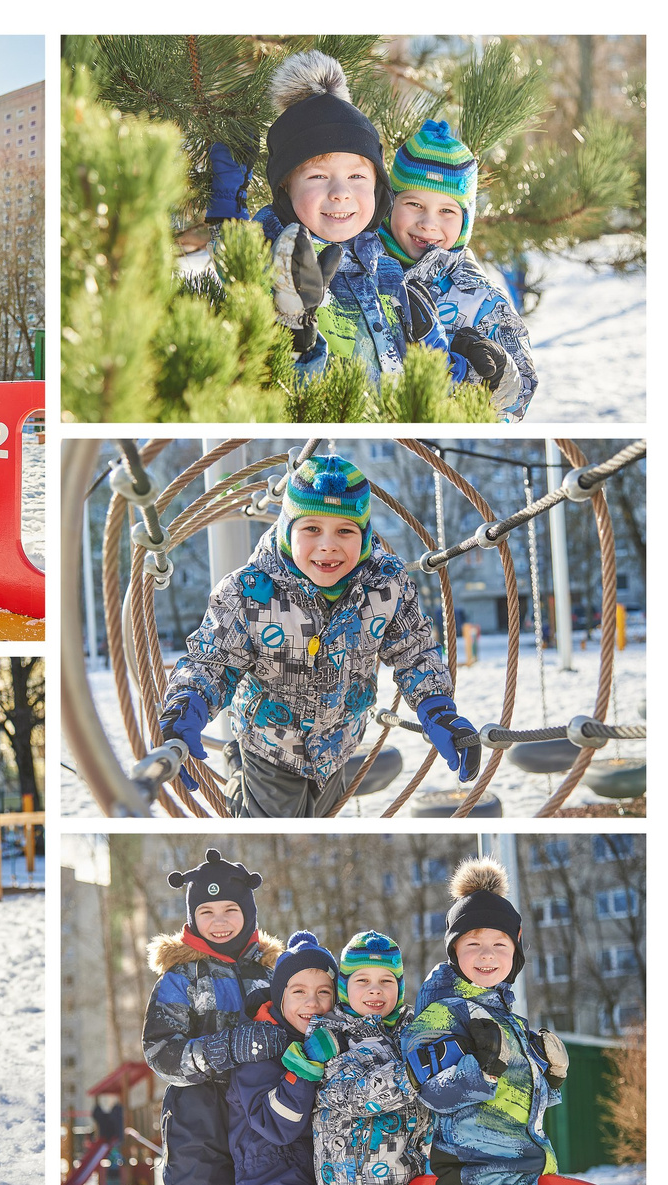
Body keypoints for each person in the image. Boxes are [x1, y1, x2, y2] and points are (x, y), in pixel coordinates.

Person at [156, 455, 471, 818]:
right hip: (269, 741)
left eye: (345, 531)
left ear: (365, 537)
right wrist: (187, 704)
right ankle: (239, 772)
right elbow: (212, 660)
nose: (328, 545)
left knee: (319, 819)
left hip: (338, 741)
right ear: (287, 530)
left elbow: (413, 651)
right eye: (311, 529)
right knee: (274, 820)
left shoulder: (386, 586)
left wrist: (437, 708)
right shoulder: (247, 592)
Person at [252, 50, 439, 390]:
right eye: (318, 177)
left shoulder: (388, 263)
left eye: (356, 176)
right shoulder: (268, 261)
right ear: (285, 188)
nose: (341, 192)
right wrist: (293, 327)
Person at [405, 859, 566, 1185]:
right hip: (483, 1182)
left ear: (515, 952)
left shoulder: (510, 1018)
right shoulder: (442, 1013)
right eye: (473, 944)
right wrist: (481, 1072)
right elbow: (429, 1089)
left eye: (499, 944)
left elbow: (520, 1100)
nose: (487, 955)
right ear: (455, 951)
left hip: (537, 1173)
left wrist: (551, 1077)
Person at [143, 848, 286, 1185]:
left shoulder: (273, 973)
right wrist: (226, 1048)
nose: (219, 922)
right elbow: (160, 1052)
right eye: (206, 912)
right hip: (198, 1117)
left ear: (248, 914)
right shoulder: (181, 978)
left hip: (263, 1111)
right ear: (192, 918)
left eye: (230, 910)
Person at [384, 121, 534, 420]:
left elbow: (515, 404)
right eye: (414, 203)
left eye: (447, 211)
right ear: (389, 203)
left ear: (466, 219)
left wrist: (494, 372)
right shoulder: (357, 268)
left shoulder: (483, 300)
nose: (428, 223)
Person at [298, 929, 426, 1185]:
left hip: (406, 1178)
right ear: (344, 987)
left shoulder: (408, 1031)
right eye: (362, 981)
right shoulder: (332, 1035)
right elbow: (351, 1095)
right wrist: (409, 1076)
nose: (375, 990)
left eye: (386, 981)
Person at [225, 931, 347, 1185]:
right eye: (299, 992)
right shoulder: (259, 1047)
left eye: (324, 992)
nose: (313, 1003)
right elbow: (276, 1125)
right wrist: (304, 1068)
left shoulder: (335, 1040)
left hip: (324, 1182)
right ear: (280, 996)